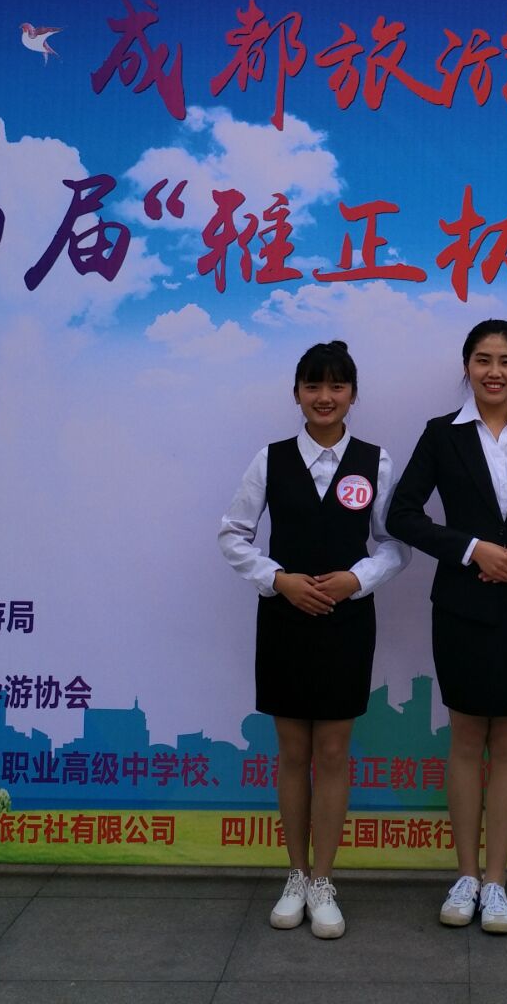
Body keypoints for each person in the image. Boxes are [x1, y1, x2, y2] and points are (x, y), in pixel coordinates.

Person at [388, 319, 507, 935]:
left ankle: (497, 882)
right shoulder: (441, 434)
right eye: (483, 360)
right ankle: (465, 876)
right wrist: (471, 549)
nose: (495, 372)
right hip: (462, 607)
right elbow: (403, 514)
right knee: (466, 738)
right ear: (466, 365)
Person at [218, 339, 407, 940]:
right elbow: (232, 535)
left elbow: (395, 544)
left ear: (353, 394)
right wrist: (279, 579)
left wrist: (357, 579)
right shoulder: (270, 459)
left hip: (347, 622)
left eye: (336, 386)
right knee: (293, 753)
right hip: (285, 620)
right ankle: (295, 875)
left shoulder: (376, 461)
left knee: (332, 754)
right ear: (296, 393)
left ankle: (324, 880)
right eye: (313, 386)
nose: (325, 397)